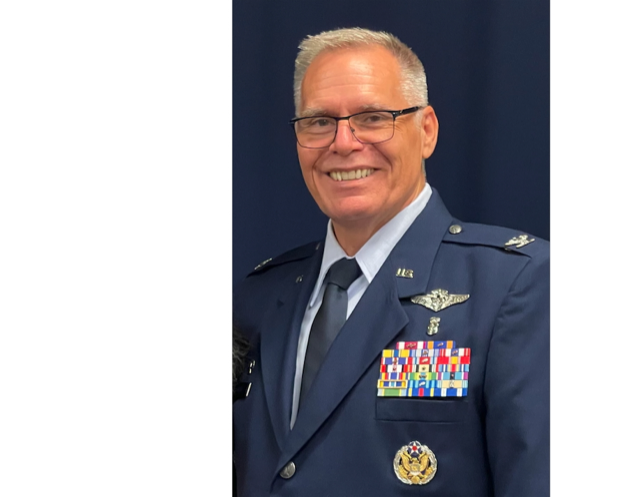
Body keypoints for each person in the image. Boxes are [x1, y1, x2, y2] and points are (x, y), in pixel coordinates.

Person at [233, 27, 549, 496]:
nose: (343, 143)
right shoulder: (257, 300)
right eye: (319, 122)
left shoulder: (515, 286)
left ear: (426, 131)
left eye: (372, 117)